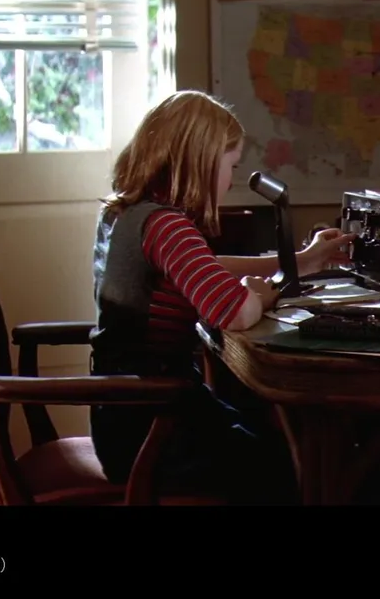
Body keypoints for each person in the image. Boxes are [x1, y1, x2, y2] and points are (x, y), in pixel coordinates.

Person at [91, 90, 353, 504]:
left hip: (124, 418)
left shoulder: (130, 214)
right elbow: (236, 313)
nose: (231, 180)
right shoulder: (168, 227)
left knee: (263, 435)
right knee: (282, 465)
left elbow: (203, 267)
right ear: (202, 163)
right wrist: (261, 295)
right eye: (231, 166)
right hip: (153, 428)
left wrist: (302, 260)